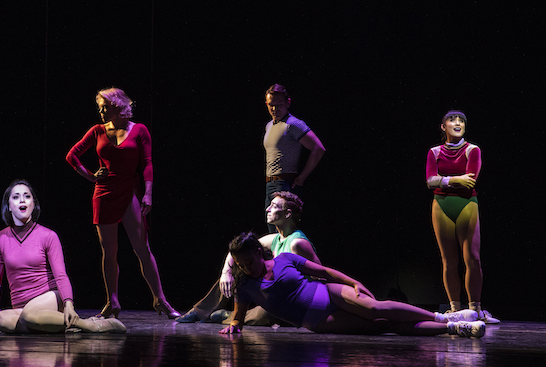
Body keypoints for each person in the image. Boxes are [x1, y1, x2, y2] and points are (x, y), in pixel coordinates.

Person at [219, 232, 486, 338]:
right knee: (383, 326)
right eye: (240, 265)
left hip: (328, 293)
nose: (245, 267)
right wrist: (233, 326)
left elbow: (324, 271)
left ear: (257, 251)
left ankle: (443, 316)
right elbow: (237, 318)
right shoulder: (246, 287)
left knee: (376, 308)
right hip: (318, 320)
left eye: (247, 261)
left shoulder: (285, 258)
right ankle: (455, 328)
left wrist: (354, 282)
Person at [66, 87, 179, 319]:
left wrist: (148, 193)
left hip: (130, 191)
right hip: (104, 193)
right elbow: (71, 155)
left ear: (117, 106)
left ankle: (160, 300)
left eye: (104, 107)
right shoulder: (97, 130)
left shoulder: (139, 130)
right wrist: (89, 175)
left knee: (142, 249)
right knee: (109, 251)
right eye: (99, 108)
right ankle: (112, 302)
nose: (100, 111)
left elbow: (147, 163)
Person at [0, 180, 126, 334]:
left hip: (50, 297)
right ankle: (60, 326)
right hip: (22, 306)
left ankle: (90, 325)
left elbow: (60, 274)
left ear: (33, 204)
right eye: (16, 197)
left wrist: (69, 303)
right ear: (9, 206)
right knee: (1, 319)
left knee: (29, 316)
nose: (22, 200)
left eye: (27, 196)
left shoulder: (48, 236)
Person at [177, 191, 320, 324]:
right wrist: (226, 272)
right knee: (238, 270)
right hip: (274, 294)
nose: (267, 209)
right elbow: (239, 249)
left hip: (292, 301)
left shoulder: (297, 243)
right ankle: (199, 311)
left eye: (274, 206)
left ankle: (229, 316)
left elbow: (320, 275)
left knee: (265, 314)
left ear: (288, 214)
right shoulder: (276, 239)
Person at [426, 110, 498, 323]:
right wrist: (454, 180)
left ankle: (475, 309)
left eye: (461, 121)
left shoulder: (472, 150)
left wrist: (443, 179)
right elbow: (429, 181)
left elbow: (471, 180)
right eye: (452, 120)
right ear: (443, 127)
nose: (457, 123)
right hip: (441, 206)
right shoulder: (434, 152)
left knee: (472, 259)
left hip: (467, 205)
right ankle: (455, 309)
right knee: (449, 260)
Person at [263, 84, 325, 232]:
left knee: (283, 230)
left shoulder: (293, 124)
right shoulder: (269, 125)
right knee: (272, 231)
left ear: (288, 103)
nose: (274, 109)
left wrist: (302, 177)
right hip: (270, 184)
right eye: (271, 105)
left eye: (279, 105)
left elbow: (318, 148)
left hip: (284, 184)